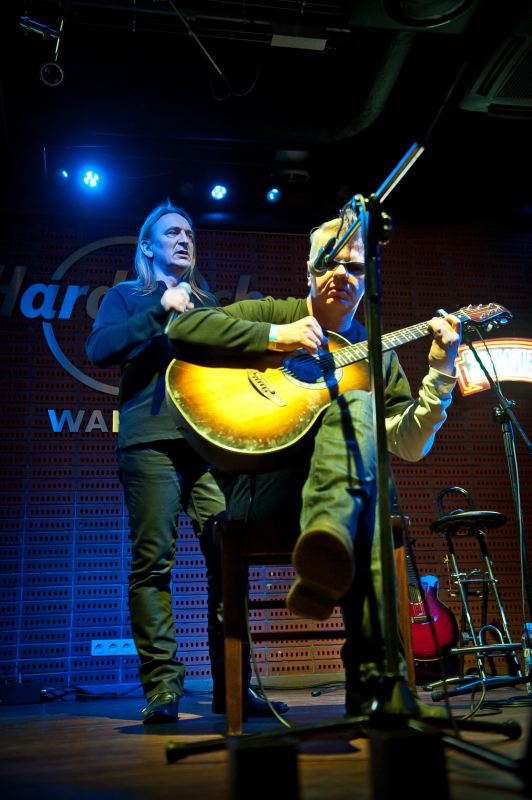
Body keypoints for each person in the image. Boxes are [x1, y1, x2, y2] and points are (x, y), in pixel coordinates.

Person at [166, 209, 461, 715]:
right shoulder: (270, 314)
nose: (342, 275)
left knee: (358, 407)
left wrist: (440, 372)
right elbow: (185, 329)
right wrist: (275, 340)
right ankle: (375, 684)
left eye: (356, 267)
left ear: (369, 281)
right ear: (309, 269)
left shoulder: (377, 356)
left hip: (341, 514)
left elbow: (407, 444)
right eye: (330, 262)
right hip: (267, 493)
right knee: (365, 496)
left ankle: (329, 537)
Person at [85, 200, 288, 723]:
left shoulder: (207, 304)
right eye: (172, 232)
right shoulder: (125, 296)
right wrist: (160, 308)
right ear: (147, 245)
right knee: (153, 564)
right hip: (148, 444)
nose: (184, 239)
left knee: (228, 558)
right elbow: (99, 349)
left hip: (206, 449)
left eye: (190, 233)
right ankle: (163, 690)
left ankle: (233, 689)